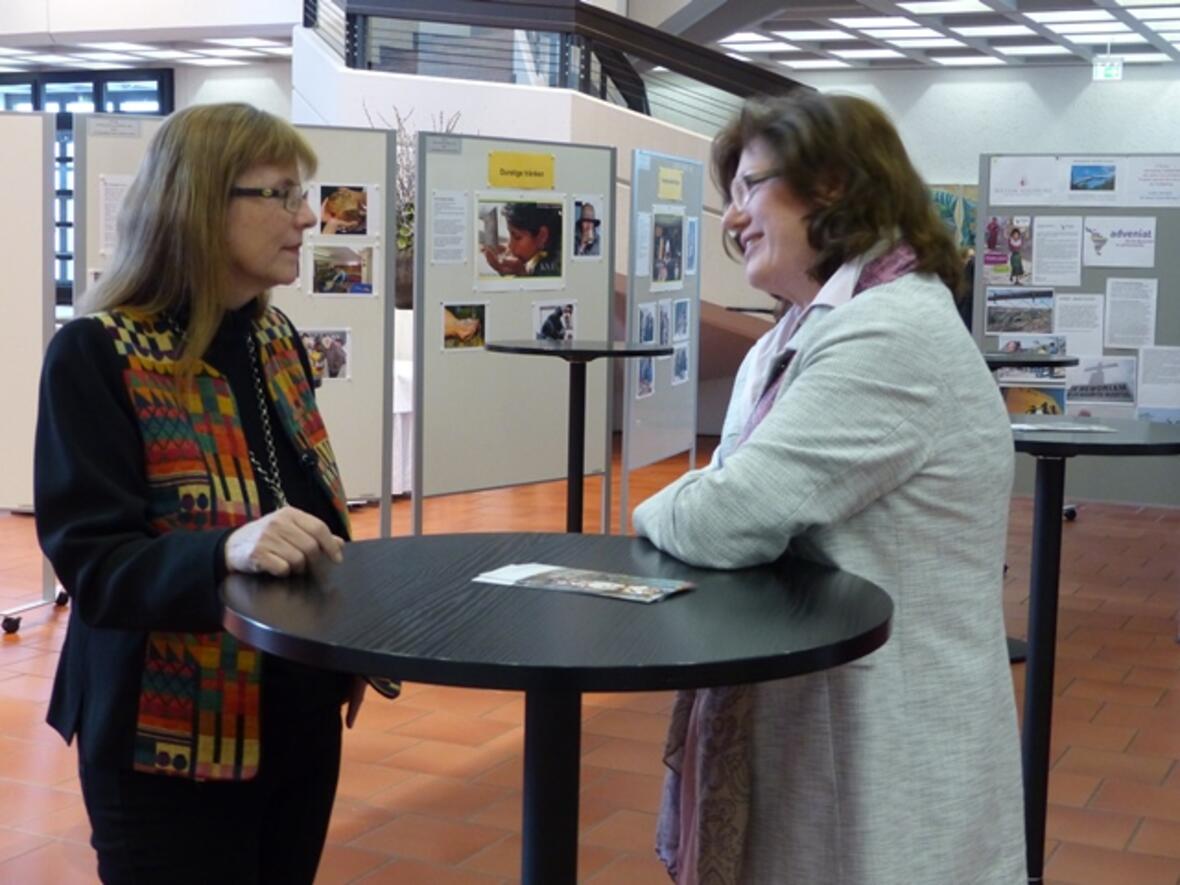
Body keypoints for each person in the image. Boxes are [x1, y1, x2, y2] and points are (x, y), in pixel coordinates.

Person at [632, 93, 1024, 884]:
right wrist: (703, 493)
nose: (732, 216)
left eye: (751, 187)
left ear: (835, 184)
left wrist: (650, 505)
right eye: (729, 194)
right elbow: (730, 491)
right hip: (817, 705)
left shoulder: (890, 332)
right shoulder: (800, 330)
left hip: (884, 730)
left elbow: (726, 514)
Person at [34, 103, 370, 885]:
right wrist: (223, 549)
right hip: (168, 741)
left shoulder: (274, 340)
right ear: (201, 203)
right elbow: (95, 565)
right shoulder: (98, 351)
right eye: (282, 194)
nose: (309, 216)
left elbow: (307, 507)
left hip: (297, 715)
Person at [481, 202, 561, 277]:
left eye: (517, 237)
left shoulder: (555, 267)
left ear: (542, 236)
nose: (510, 246)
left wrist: (521, 274)